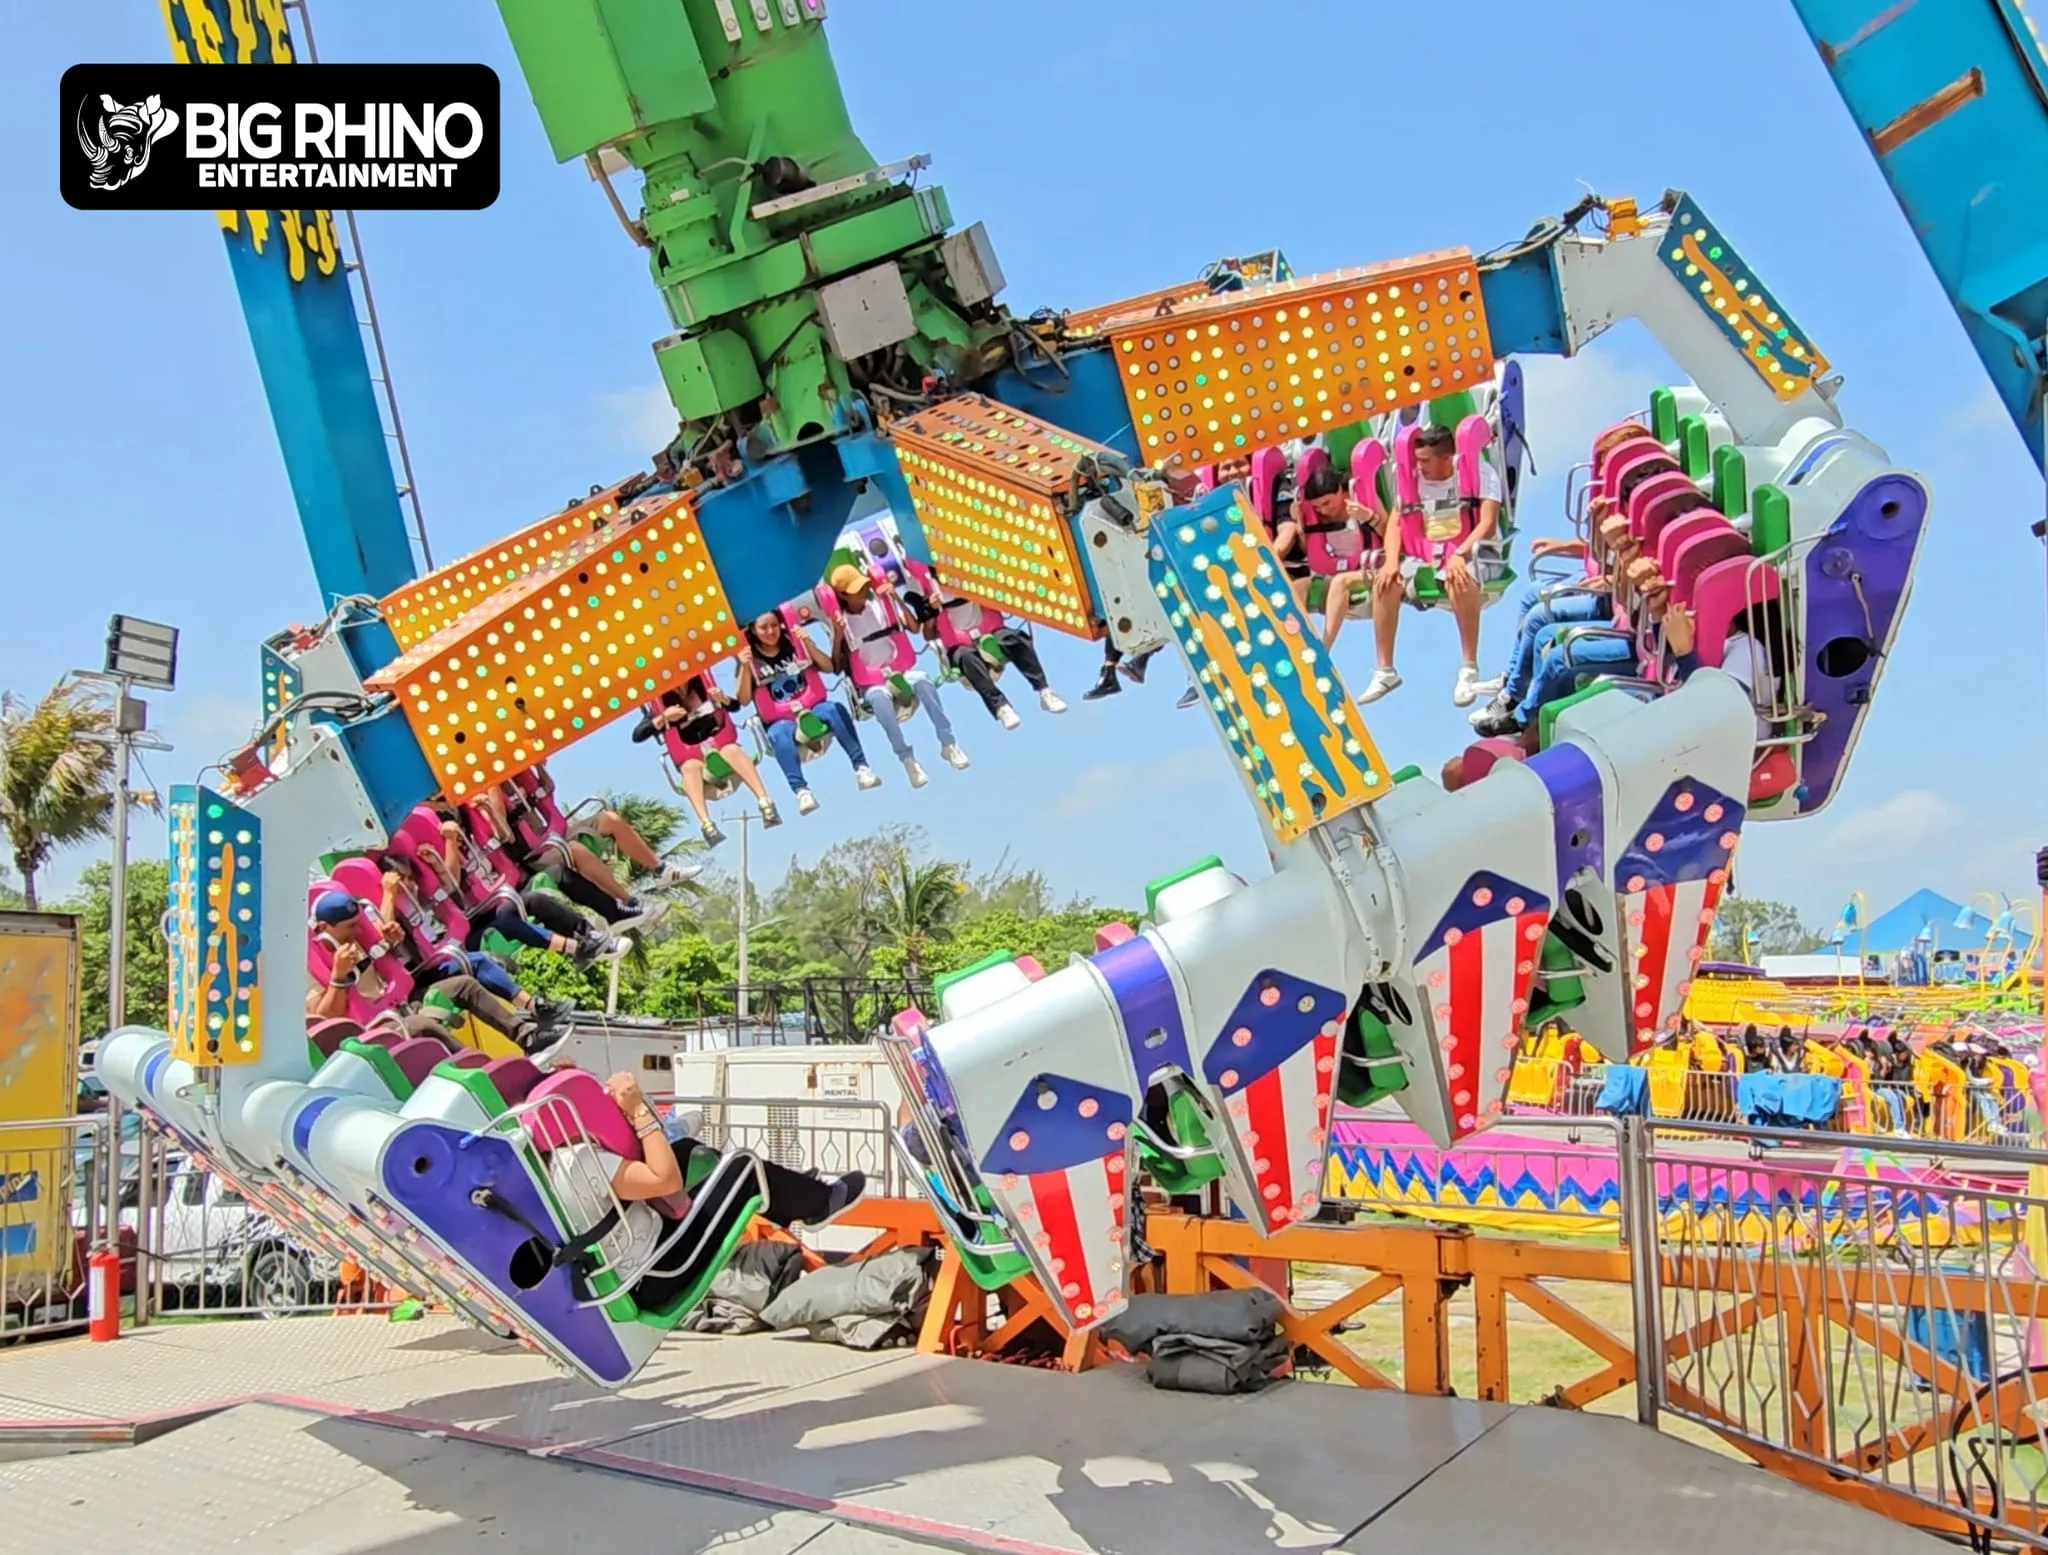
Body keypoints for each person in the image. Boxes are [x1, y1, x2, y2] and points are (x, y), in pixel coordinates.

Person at [543, 1071, 867, 1310]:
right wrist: (638, 1111)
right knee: (743, 1168)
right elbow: (665, 1180)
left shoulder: (555, 1161)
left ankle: (788, 1190)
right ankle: (818, 1203)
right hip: (658, 1270)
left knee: (684, 1150)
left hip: (646, 1251)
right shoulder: (583, 1161)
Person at [307, 890, 574, 1063]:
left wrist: (393, 941)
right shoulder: (310, 968)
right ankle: (483, 1071)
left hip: (399, 1004)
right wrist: (338, 977)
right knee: (422, 1025)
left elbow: (397, 965)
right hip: (373, 1029)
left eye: (358, 924)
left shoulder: (361, 938)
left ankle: (527, 1037)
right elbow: (327, 1019)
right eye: (349, 927)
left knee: (463, 985)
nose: (357, 931)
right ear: (323, 928)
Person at [1357, 423, 1507, 708]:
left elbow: (1487, 524)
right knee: (1385, 583)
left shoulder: (1481, 473)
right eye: (1417, 460)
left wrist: (1461, 554)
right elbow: (1396, 523)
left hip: (1471, 550)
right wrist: (1391, 561)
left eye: (1425, 461)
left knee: (1459, 578)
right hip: (1425, 554)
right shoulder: (1411, 479)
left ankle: (1468, 668)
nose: (1419, 467)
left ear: (1447, 458)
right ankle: (1385, 671)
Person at [825, 563, 966, 787]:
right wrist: (839, 635)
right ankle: (907, 758)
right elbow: (836, 666)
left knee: (923, 681)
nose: (864, 591)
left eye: (863, 586)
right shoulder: (841, 621)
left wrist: (895, 599)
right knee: (879, 698)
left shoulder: (879, 605)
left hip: (900, 671)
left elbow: (914, 628)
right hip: (872, 683)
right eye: (856, 590)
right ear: (843, 595)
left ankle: (948, 743)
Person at [735, 609, 879, 813]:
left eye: (774, 625)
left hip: (813, 705)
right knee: (778, 734)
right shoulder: (750, 659)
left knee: (834, 710)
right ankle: (801, 791)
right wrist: (744, 667)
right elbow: (743, 699)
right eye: (764, 628)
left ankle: (861, 767)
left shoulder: (794, 643)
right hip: (782, 718)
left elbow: (828, 667)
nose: (770, 631)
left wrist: (808, 644)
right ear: (753, 630)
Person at [900, 572, 1066, 730]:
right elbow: (928, 634)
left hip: (990, 630)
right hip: (959, 644)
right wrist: (932, 610)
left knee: (1014, 638)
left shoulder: (970, 573)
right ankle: (1001, 707)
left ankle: (1044, 691)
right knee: (967, 657)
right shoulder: (926, 589)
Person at [632, 675, 780, 845]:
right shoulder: (660, 705)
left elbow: (735, 706)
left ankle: (765, 802)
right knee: (689, 768)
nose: (680, 686)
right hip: (692, 756)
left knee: (731, 750)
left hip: (720, 745)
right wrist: (663, 717)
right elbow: (637, 735)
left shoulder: (703, 687)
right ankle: (707, 824)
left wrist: (722, 699)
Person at [1294, 465, 1379, 652]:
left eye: (1327, 503)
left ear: (1340, 491)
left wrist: (1369, 517)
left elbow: (1390, 533)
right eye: (1317, 507)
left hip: (1371, 570)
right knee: (1297, 586)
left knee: (1341, 582)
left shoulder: (1360, 502)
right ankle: (1295, 643)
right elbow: (1310, 551)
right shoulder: (1318, 518)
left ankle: (1324, 648)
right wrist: (1300, 529)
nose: (1324, 510)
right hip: (1336, 573)